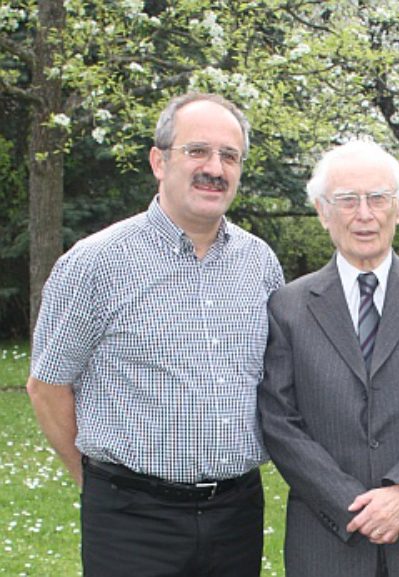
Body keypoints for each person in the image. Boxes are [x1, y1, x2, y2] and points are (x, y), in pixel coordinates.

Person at [26, 92, 284, 577]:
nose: (215, 167)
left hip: (237, 512)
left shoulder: (260, 264)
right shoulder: (94, 263)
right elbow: (47, 386)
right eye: (198, 151)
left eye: (230, 156)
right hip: (131, 519)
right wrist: (92, 478)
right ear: (158, 161)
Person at [258, 139, 399, 577]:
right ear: (323, 212)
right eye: (347, 200)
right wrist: (356, 507)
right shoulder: (287, 306)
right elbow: (280, 423)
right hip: (327, 543)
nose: (365, 214)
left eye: (378, 198)